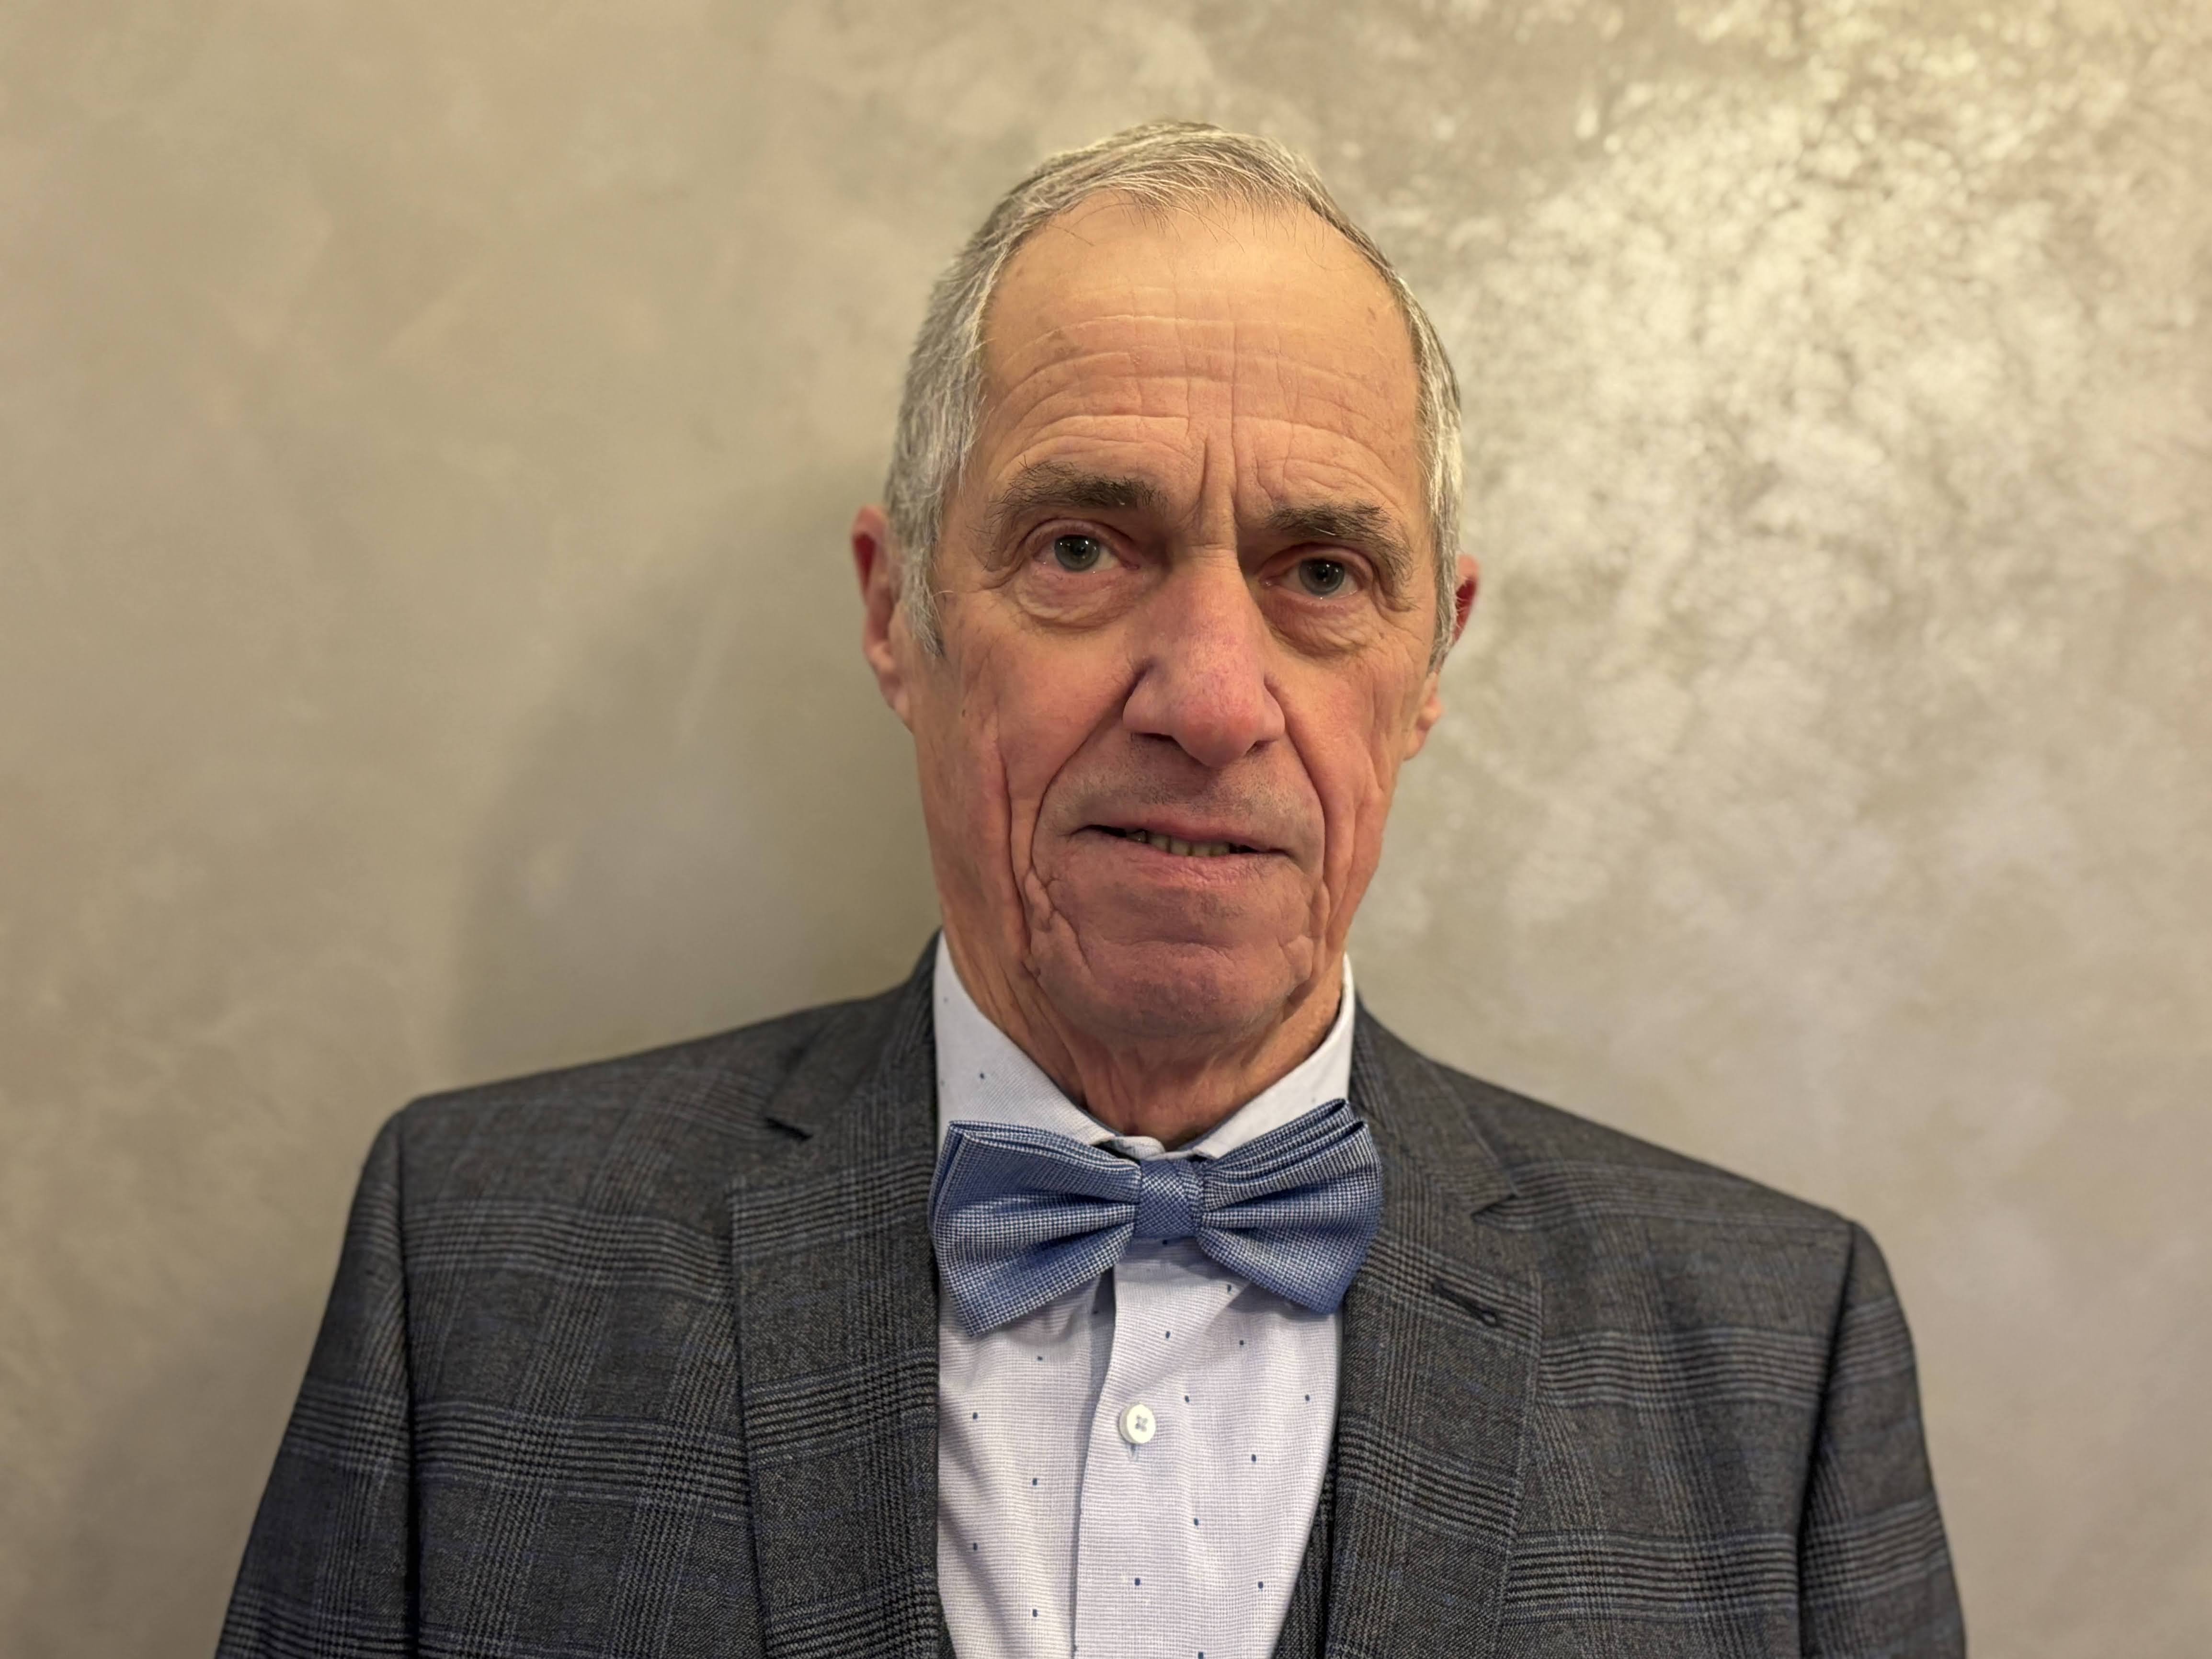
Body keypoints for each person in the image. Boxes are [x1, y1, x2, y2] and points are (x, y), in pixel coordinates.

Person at [218, 123, 1963, 1658]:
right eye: (1080, 548)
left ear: (1429, 658)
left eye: (1321, 572)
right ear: (897, 613)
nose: (1208, 698)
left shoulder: (1775, 1358)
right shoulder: (474, 1270)